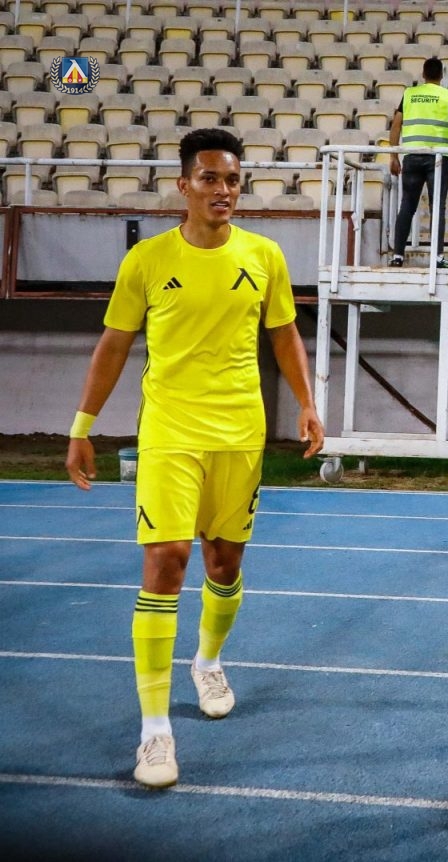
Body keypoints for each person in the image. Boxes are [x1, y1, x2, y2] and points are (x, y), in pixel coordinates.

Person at [64, 128, 324, 789]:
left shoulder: (264, 255)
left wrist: (306, 402)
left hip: (240, 432)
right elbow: (114, 345)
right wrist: (82, 427)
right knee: (165, 561)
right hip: (170, 431)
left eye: (232, 179)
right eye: (210, 178)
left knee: (224, 562)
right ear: (183, 185)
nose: (223, 190)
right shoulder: (147, 260)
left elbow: (285, 334)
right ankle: (155, 732)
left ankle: (207, 661)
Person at [388, 56, 448, 269]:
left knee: (407, 205)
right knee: (437, 208)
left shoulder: (409, 94)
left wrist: (393, 156)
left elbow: (395, 126)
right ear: (442, 75)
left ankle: (397, 256)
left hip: (412, 156)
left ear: (423, 74)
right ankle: (437, 257)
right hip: (438, 159)